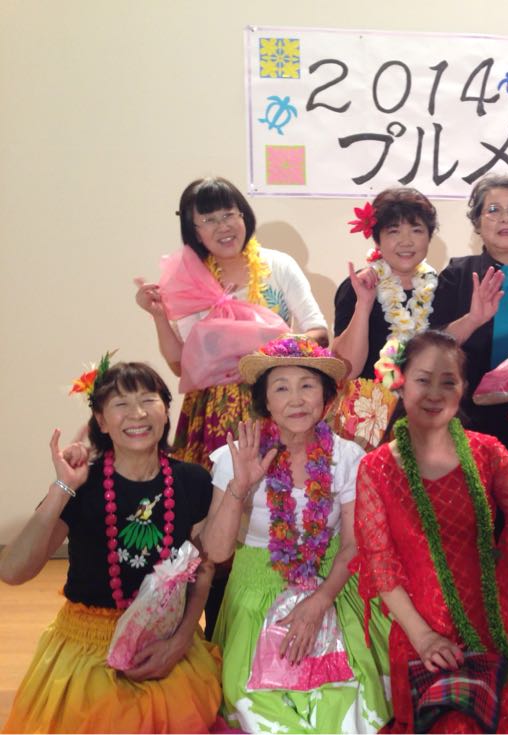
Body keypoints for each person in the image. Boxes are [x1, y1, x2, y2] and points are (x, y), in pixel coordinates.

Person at [353, 330, 508, 733]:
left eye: (449, 382)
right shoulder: (375, 468)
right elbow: (381, 567)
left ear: (463, 389)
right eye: (423, 380)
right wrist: (424, 639)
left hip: (497, 625)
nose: (435, 393)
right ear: (400, 383)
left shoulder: (487, 451)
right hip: (424, 636)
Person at [135, 176, 328, 638]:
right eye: (209, 219)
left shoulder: (277, 266)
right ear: (193, 229)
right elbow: (180, 361)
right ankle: (209, 635)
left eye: (230, 214)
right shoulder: (189, 279)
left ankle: (271, 626)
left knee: (272, 514)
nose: (223, 226)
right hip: (210, 416)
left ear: (244, 216)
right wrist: (159, 315)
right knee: (212, 520)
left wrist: (268, 349)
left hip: (272, 407)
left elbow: (318, 332)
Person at [0, 360, 221, 733]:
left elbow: (203, 569)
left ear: (166, 411)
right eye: (121, 404)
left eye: (148, 400)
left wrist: (180, 641)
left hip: (165, 644)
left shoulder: (193, 481)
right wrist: (62, 487)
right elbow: (13, 571)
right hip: (88, 651)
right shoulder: (83, 485)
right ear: (101, 422)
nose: (137, 413)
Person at [202, 335, 391, 733]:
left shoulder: (347, 457)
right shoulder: (237, 456)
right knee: (258, 712)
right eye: (281, 388)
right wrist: (240, 486)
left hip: (334, 588)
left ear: (325, 397)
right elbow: (216, 552)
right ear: (265, 401)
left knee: (349, 708)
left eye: (307, 385)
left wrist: (320, 601)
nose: (296, 399)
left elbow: (353, 545)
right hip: (255, 595)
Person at [431, 174, 508, 484]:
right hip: (462, 416)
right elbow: (431, 347)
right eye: (493, 210)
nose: (505, 218)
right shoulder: (457, 273)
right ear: (477, 223)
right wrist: (473, 319)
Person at [330, 187, 440, 450]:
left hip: (428, 414)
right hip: (367, 419)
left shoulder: (442, 287)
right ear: (377, 239)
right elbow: (347, 369)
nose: (406, 241)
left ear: (429, 236)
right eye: (394, 231)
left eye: (416, 230)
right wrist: (364, 304)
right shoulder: (358, 286)